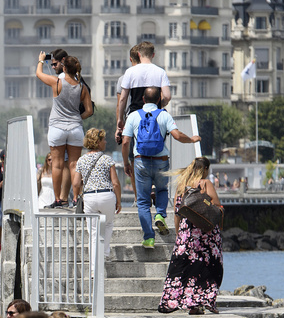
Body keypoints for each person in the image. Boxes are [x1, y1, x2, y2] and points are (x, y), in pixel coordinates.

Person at [122, 87, 200, 249]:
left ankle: (149, 238)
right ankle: (160, 214)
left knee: (143, 201)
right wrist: (192, 140)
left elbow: (125, 142)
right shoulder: (164, 115)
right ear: (159, 99)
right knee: (162, 191)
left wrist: (125, 163)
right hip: (161, 160)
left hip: (141, 161)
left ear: (143, 99)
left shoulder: (133, 116)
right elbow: (177, 135)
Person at [160, 156, 225, 316]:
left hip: (186, 234)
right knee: (210, 268)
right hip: (206, 235)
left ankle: (190, 304)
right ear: (205, 169)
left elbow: (177, 213)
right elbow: (216, 207)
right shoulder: (205, 184)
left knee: (188, 270)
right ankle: (208, 301)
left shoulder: (182, 187)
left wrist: (179, 235)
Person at [115, 42, 171, 198]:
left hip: (136, 117)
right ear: (153, 55)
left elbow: (123, 99)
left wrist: (121, 119)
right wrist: (160, 105)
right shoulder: (160, 72)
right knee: (156, 149)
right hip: (157, 117)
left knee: (137, 155)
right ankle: (155, 186)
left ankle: (141, 193)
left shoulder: (130, 72)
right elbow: (167, 96)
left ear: (138, 54)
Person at [38, 52, 91, 208]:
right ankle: (75, 198)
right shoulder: (82, 87)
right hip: (75, 128)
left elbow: (39, 74)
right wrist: (77, 117)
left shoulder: (57, 82)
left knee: (57, 164)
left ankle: (58, 199)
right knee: (74, 164)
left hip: (57, 127)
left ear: (64, 68)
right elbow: (89, 110)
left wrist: (41, 61)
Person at [72, 128, 122, 260]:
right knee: (108, 224)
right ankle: (105, 254)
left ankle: (94, 266)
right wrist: (118, 200)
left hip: (89, 197)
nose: (105, 142)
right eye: (103, 139)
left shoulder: (81, 160)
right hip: (106, 196)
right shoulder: (107, 159)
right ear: (98, 142)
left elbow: (76, 183)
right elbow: (115, 183)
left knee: (93, 232)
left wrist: (76, 196)